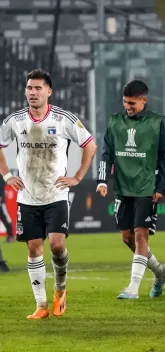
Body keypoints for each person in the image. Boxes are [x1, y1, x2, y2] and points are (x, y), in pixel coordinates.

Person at [0, 69, 97, 319]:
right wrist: (7, 176)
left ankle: (61, 288)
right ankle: (41, 305)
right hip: (27, 197)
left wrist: (77, 177)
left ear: (49, 91)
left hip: (56, 195)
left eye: (38, 88)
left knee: (56, 245)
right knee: (33, 249)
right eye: (29, 88)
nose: (33, 92)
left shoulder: (63, 119)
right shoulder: (15, 121)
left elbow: (90, 145)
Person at [97, 79, 165, 300]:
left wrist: (161, 186)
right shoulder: (114, 122)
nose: (128, 107)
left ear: (144, 101)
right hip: (122, 188)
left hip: (146, 187)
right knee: (127, 237)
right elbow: (106, 154)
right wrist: (102, 180)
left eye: (132, 103)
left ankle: (133, 287)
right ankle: (160, 273)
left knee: (141, 235)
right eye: (125, 102)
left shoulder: (158, 122)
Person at [0, 176, 14, 243]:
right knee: (5, 218)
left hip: (1, 202)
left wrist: (1, 196)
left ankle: (10, 235)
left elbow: (2, 186)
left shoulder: (0, 176)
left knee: (5, 218)